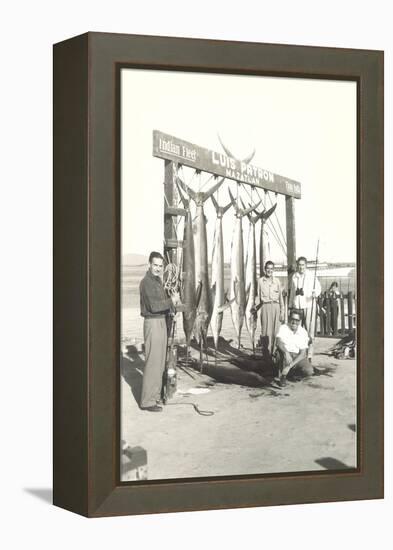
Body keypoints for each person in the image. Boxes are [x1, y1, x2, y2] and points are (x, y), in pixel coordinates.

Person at [139, 251, 180, 412]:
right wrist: (172, 301)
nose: (157, 268)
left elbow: (161, 304)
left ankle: (154, 397)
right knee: (153, 363)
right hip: (153, 323)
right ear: (149, 264)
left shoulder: (157, 281)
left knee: (160, 362)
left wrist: (171, 306)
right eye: (155, 265)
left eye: (160, 266)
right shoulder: (146, 282)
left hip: (161, 322)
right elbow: (154, 306)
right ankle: (147, 401)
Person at [289, 256, 321, 359]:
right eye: (299, 265)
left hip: (308, 305)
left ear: (306, 265)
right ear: (297, 265)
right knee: (297, 331)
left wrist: (315, 293)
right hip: (297, 306)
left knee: (309, 332)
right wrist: (290, 305)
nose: (301, 267)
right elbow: (293, 292)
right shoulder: (294, 276)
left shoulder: (311, 275)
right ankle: (299, 353)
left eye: (303, 265)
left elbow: (318, 288)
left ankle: (309, 354)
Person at [275, 309, 313, 385]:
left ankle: (292, 372)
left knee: (309, 371)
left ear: (299, 321)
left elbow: (303, 353)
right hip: (285, 353)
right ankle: (283, 376)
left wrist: (289, 366)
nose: (294, 322)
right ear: (289, 319)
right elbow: (278, 342)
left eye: (297, 320)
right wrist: (286, 353)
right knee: (280, 355)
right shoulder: (283, 328)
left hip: (297, 356)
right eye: (292, 319)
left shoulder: (303, 332)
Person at [257, 260, 284, 360]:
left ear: (273, 270)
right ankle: (266, 355)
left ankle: (274, 355)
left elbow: (281, 298)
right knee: (265, 332)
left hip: (276, 307)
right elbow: (258, 297)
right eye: (268, 268)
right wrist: (254, 310)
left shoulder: (277, 281)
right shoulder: (260, 281)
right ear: (265, 269)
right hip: (265, 307)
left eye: (271, 269)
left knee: (276, 332)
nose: (269, 271)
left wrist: (282, 312)